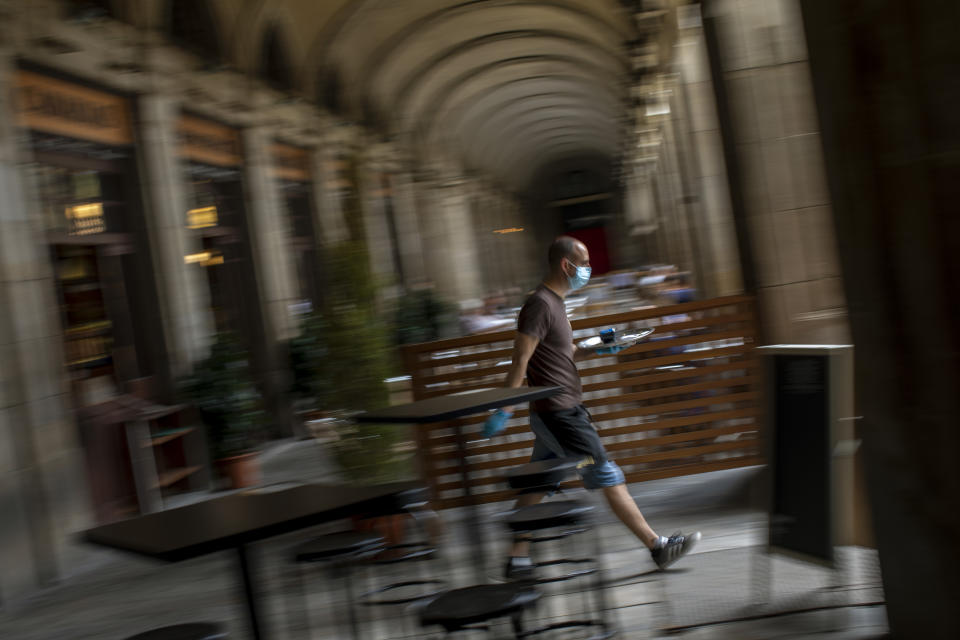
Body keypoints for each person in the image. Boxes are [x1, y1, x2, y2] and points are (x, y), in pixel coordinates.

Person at [484, 236, 700, 580]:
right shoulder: (540, 304)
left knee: (538, 484)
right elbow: (521, 358)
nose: (588, 270)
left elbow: (561, 353)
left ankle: (516, 558)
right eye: (584, 264)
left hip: (557, 412)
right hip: (560, 414)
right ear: (566, 265)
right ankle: (657, 546)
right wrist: (503, 410)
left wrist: (597, 349)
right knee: (607, 475)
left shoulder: (554, 303)